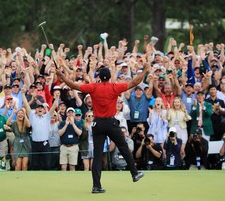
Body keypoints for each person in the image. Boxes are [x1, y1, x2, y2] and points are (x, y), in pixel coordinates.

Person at [56, 62, 148, 194]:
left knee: (97, 155)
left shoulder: (93, 87)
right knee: (123, 147)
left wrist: (61, 76)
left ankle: (96, 186)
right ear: (110, 77)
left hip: (97, 123)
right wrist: (145, 70)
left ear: (99, 77)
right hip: (111, 123)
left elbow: (73, 85)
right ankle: (134, 173)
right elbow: (134, 82)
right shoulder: (114, 87)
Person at [22, 87, 58, 170]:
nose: (40, 109)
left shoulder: (47, 116)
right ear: (36, 110)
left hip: (45, 143)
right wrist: (23, 94)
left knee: (47, 164)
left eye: (41, 108)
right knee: (35, 165)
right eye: (38, 108)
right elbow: (26, 105)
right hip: (35, 143)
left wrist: (57, 98)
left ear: (44, 110)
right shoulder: (32, 116)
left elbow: (54, 106)